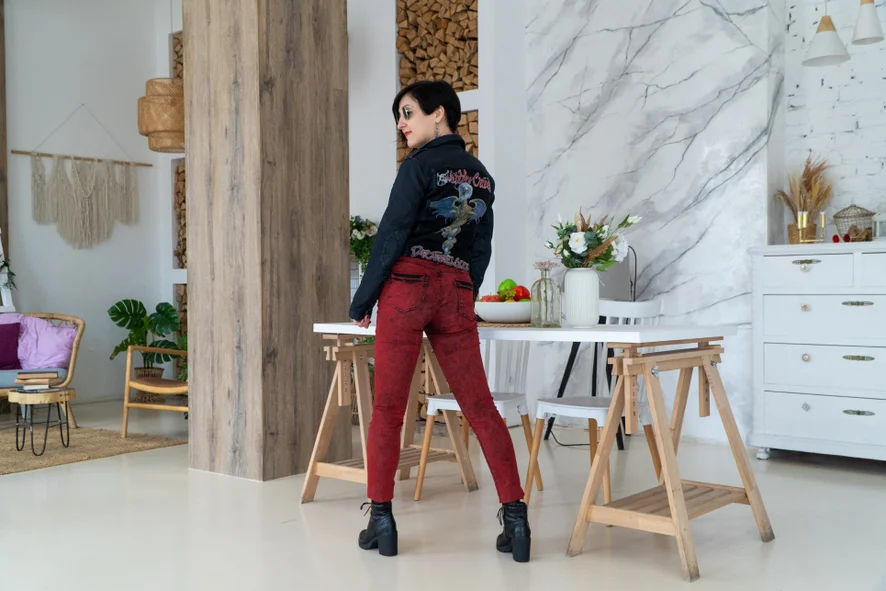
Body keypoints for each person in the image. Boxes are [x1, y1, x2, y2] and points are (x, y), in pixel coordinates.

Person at [349, 80, 531, 562]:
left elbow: (392, 233)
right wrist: (464, 290)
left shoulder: (418, 166)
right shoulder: (483, 177)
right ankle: (516, 518)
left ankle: (382, 519)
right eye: (399, 117)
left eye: (408, 113)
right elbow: (480, 247)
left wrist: (363, 299)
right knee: (481, 407)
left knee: (389, 408)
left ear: (439, 114)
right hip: (455, 291)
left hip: (407, 288)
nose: (402, 124)